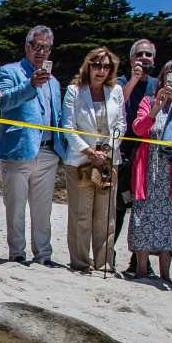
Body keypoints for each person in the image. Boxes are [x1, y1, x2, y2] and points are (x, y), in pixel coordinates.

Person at [0, 25, 71, 266]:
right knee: (15, 206)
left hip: (48, 150)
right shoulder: (9, 71)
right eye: (36, 46)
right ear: (26, 46)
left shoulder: (54, 81)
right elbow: (2, 103)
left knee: (43, 210)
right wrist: (30, 85)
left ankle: (43, 255)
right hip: (18, 148)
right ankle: (17, 253)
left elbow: (56, 116)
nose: (41, 52)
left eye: (46, 48)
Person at [128, 59, 172, 287]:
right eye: (169, 71)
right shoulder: (149, 100)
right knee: (144, 214)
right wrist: (157, 107)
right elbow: (139, 129)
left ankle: (165, 273)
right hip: (150, 168)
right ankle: (140, 267)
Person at [61, 47, 124, 273]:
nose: (101, 70)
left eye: (106, 66)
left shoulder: (116, 91)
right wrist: (89, 152)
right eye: (96, 65)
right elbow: (68, 126)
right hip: (81, 160)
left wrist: (107, 150)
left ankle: (103, 262)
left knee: (105, 216)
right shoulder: (74, 91)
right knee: (81, 213)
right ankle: (80, 261)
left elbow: (121, 125)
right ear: (88, 66)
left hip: (108, 161)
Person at [113, 39, 158, 273]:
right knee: (119, 205)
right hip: (124, 150)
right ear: (131, 59)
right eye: (139, 54)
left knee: (143, 208)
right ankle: (108, 252)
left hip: (150, 155)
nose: (144, 58)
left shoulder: (157, 85)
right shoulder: (121, 81)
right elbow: (118, 102)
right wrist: (133, 79)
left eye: (148, 55)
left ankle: (138, 260)